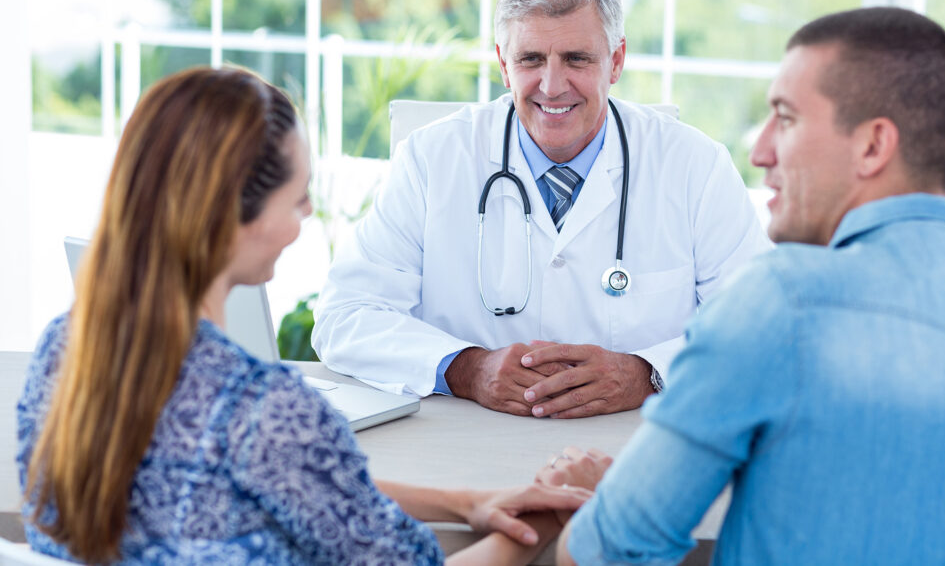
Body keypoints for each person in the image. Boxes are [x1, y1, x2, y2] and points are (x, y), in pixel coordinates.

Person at [16, 67, 590, 565]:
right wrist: (553, 508)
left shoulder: (63, 352)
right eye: (296, 198)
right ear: (236, 218)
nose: (309, 213)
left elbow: (294, 481)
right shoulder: (269, 411)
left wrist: (462, 502)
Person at [547, 6, 945, 565]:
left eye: (787, 118)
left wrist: (600, 500)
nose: (761, 151)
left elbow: (605, 554)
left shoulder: (780, 303)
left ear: (872, 146)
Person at [312, 0, 768, 418]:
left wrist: (648, 374)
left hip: (635, 444)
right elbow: (344, 316)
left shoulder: (695, 165)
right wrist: (466, 370)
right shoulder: (431, 159)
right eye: (531, 59)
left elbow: (759, 328)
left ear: (615, 61)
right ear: (503, 66)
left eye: (576, 59)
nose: (552, 86)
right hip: (470, 442)